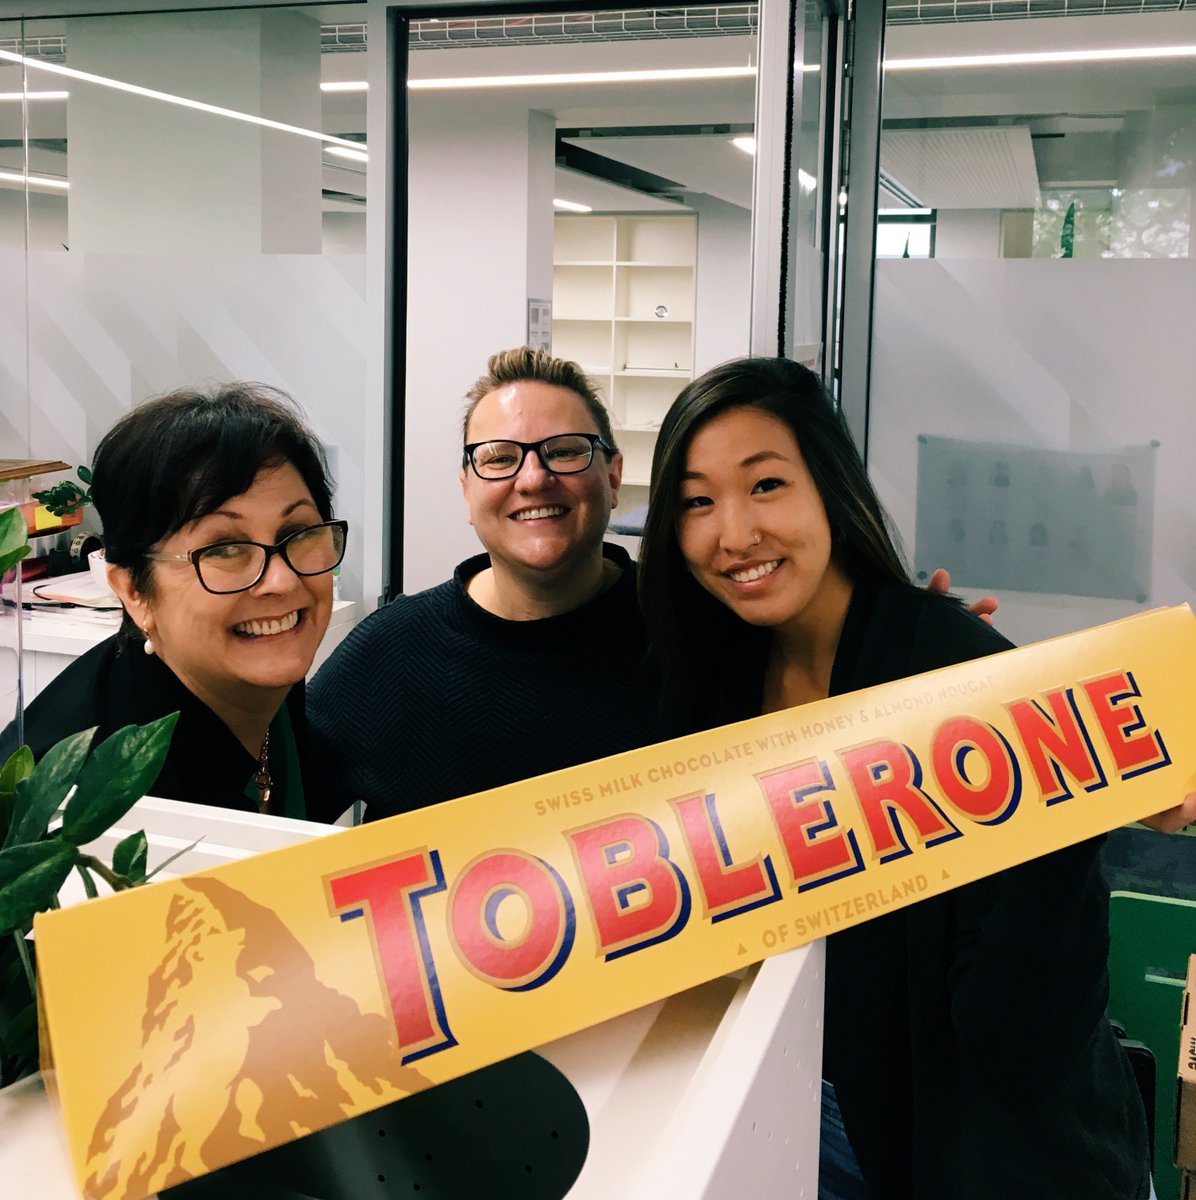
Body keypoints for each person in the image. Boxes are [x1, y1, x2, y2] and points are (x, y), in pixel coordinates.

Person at [635, 355, 1159, 1200]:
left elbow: (1019, 1040)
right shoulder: (715, 683)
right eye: (697, 500)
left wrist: (1072, 795)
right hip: (816, 1105)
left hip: (996, 1158)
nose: (733, 533)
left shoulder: (956, 680)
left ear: (831, 489)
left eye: (766, 485)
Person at [307, 346, 673, 821]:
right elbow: (262, 831)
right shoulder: (387, 657)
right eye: (500, 459)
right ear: (466, 489)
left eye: (564, 451)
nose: (534, 478)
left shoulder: (686, 631)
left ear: (614, 475)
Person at [0, 383, 347, 817]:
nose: (280, 580)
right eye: (223, 548)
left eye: (298, 533)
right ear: (133, 590)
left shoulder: (263, 677)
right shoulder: (87, 794)